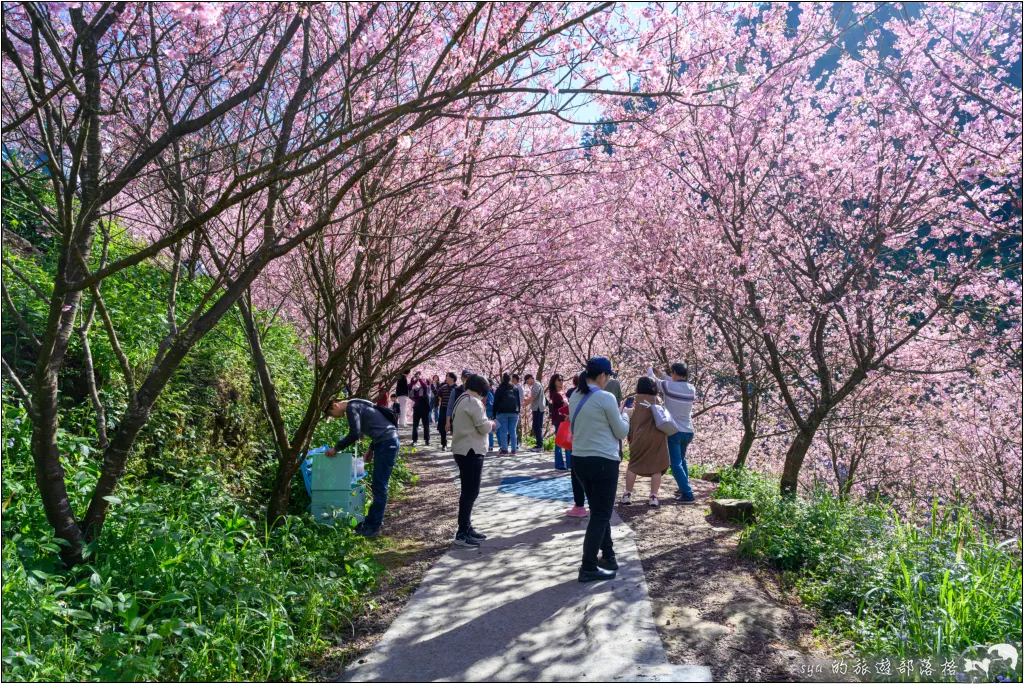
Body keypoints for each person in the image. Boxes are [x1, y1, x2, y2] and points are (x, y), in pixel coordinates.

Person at [568, 357, 629, 582]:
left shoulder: (575, 395)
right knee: (601, 514)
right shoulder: (606, 397)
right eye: (609, 376)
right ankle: (588, 566)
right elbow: (621, 432)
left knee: (598, 511)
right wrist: (625, 416)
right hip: (603, 460)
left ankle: (609, 556)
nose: (609, 380)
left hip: (579, 460)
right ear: (602, 376)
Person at [323, 396, 401, 537]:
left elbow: (354, 433)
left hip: (386, 443)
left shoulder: (352, 407)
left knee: (379, 485)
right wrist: (371, 449)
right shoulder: (358, 404)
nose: (334, 417)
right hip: (384, 442)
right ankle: (372, 521)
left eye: (331, 414)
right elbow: (379, 425)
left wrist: (336, 449)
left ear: (335, 405)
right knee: (378, 484)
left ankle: (373, 526)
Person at [449, 374, 498, 548]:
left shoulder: (462, 398)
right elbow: (484, 427)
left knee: (467, 491)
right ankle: (462, 533)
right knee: (471, 492)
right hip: (472, 450)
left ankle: (466, 527)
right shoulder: (474, 402)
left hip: (462, 449)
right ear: (482, 389)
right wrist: (493, 424)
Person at [647, 363, 697, 504]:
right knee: (681, 460)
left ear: (674, 372)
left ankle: (688, 494)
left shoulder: (669, 387)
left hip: (674, 430)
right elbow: (673, 383)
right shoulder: (691, 388)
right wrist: (663, 374)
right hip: (688, 431)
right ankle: (684, 487)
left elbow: (652, 380)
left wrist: (650, 369)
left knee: (675, 463)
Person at [622, 377, 670, 507]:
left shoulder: (632, 401)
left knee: (633, 465)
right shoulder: (657, 400)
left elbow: (624, 416)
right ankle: (653, 496)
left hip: (637, 436)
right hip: (656, 437)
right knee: (657, 466)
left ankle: (627, 494)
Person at [564, 372, 588, 517]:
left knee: (577, 475)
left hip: (578, 442)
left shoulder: (574, 395)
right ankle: (593, 505)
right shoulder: (602, 396)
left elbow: (573, 417)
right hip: (597, 444)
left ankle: (579, 507)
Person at [493, 373, 521, 455]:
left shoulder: (500, 389)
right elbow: (518, 401)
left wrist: (494, 413)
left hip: (502, 412)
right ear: (510, 379)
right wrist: (518, 411)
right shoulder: (515, 388)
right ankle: (514, 449)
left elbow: (496, 402)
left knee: (503, 431)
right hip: (514, 412)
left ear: (503, 378)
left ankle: (504, 449)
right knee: (513, 430)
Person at [548, 374, 568, 469]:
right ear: (554, 382)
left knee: (567, 441)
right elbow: (563, 405)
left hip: (565, 419)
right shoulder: (556, 394)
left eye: (562, 380)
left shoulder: (563, 393)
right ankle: (559, 464)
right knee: (559, 442)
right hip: (559, 420)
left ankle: (569, 463)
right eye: (559, 380)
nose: (561, 381)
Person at [410, 371, 432, 446]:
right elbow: (409, 390)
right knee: (415, 425)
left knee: (426, 425)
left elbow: (424, 386)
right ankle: (414, 440)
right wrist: (413, 381)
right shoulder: (416, 389)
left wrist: (419, 379)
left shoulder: (427, 387)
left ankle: (427, 440)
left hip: (424, 407)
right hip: (417, 407)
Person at [436, 372, 457, 450]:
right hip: (443, 409)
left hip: (454, 410)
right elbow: (437, 394)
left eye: (447, 377)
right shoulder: (443, 387)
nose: (446, 378)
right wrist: (431, 385)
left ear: (452, 378)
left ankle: (454, 445)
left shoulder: (457, 389)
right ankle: (444, 444)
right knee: (442, 427)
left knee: (454, 427)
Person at [525, 373, 546, 452]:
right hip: (537, 408)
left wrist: (526, 403)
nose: (528, 383)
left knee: (537, 426)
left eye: (527, 381)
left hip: (538, 408)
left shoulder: (536, 384)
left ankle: (540, 446)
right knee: (536, 426)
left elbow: (534, 396)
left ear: (530, 378)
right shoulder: (537, 384)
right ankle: (538, 444)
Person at [485, 378, 496, 452]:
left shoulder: (487, 392)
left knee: (489, 430)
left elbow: (488, 403)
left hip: (488, 411)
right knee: (492, 429)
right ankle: (491, 445)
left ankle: (490, 446)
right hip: (493, 411)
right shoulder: (492, 392)